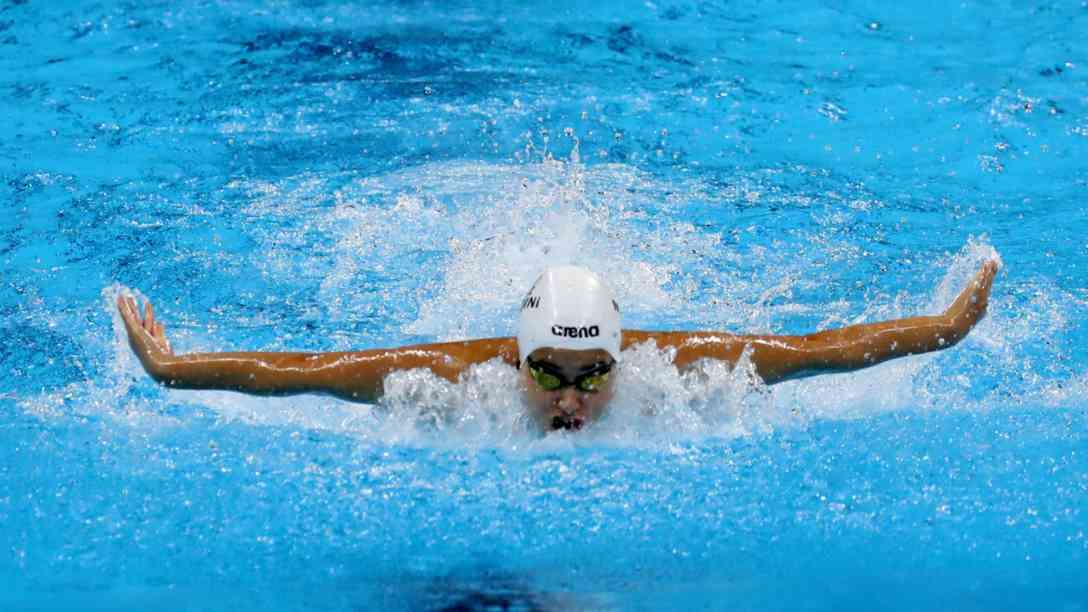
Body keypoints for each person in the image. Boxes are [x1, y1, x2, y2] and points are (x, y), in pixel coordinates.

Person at [117, 260, 999, 431]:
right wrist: (171, 370)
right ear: (518, 357)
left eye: (592, 376)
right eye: (548, 372)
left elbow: (821, 349)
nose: (570, 400)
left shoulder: (677, 365)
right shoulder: (456, 378)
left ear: (623, 359)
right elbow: (304, 373)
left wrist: (946, 329)